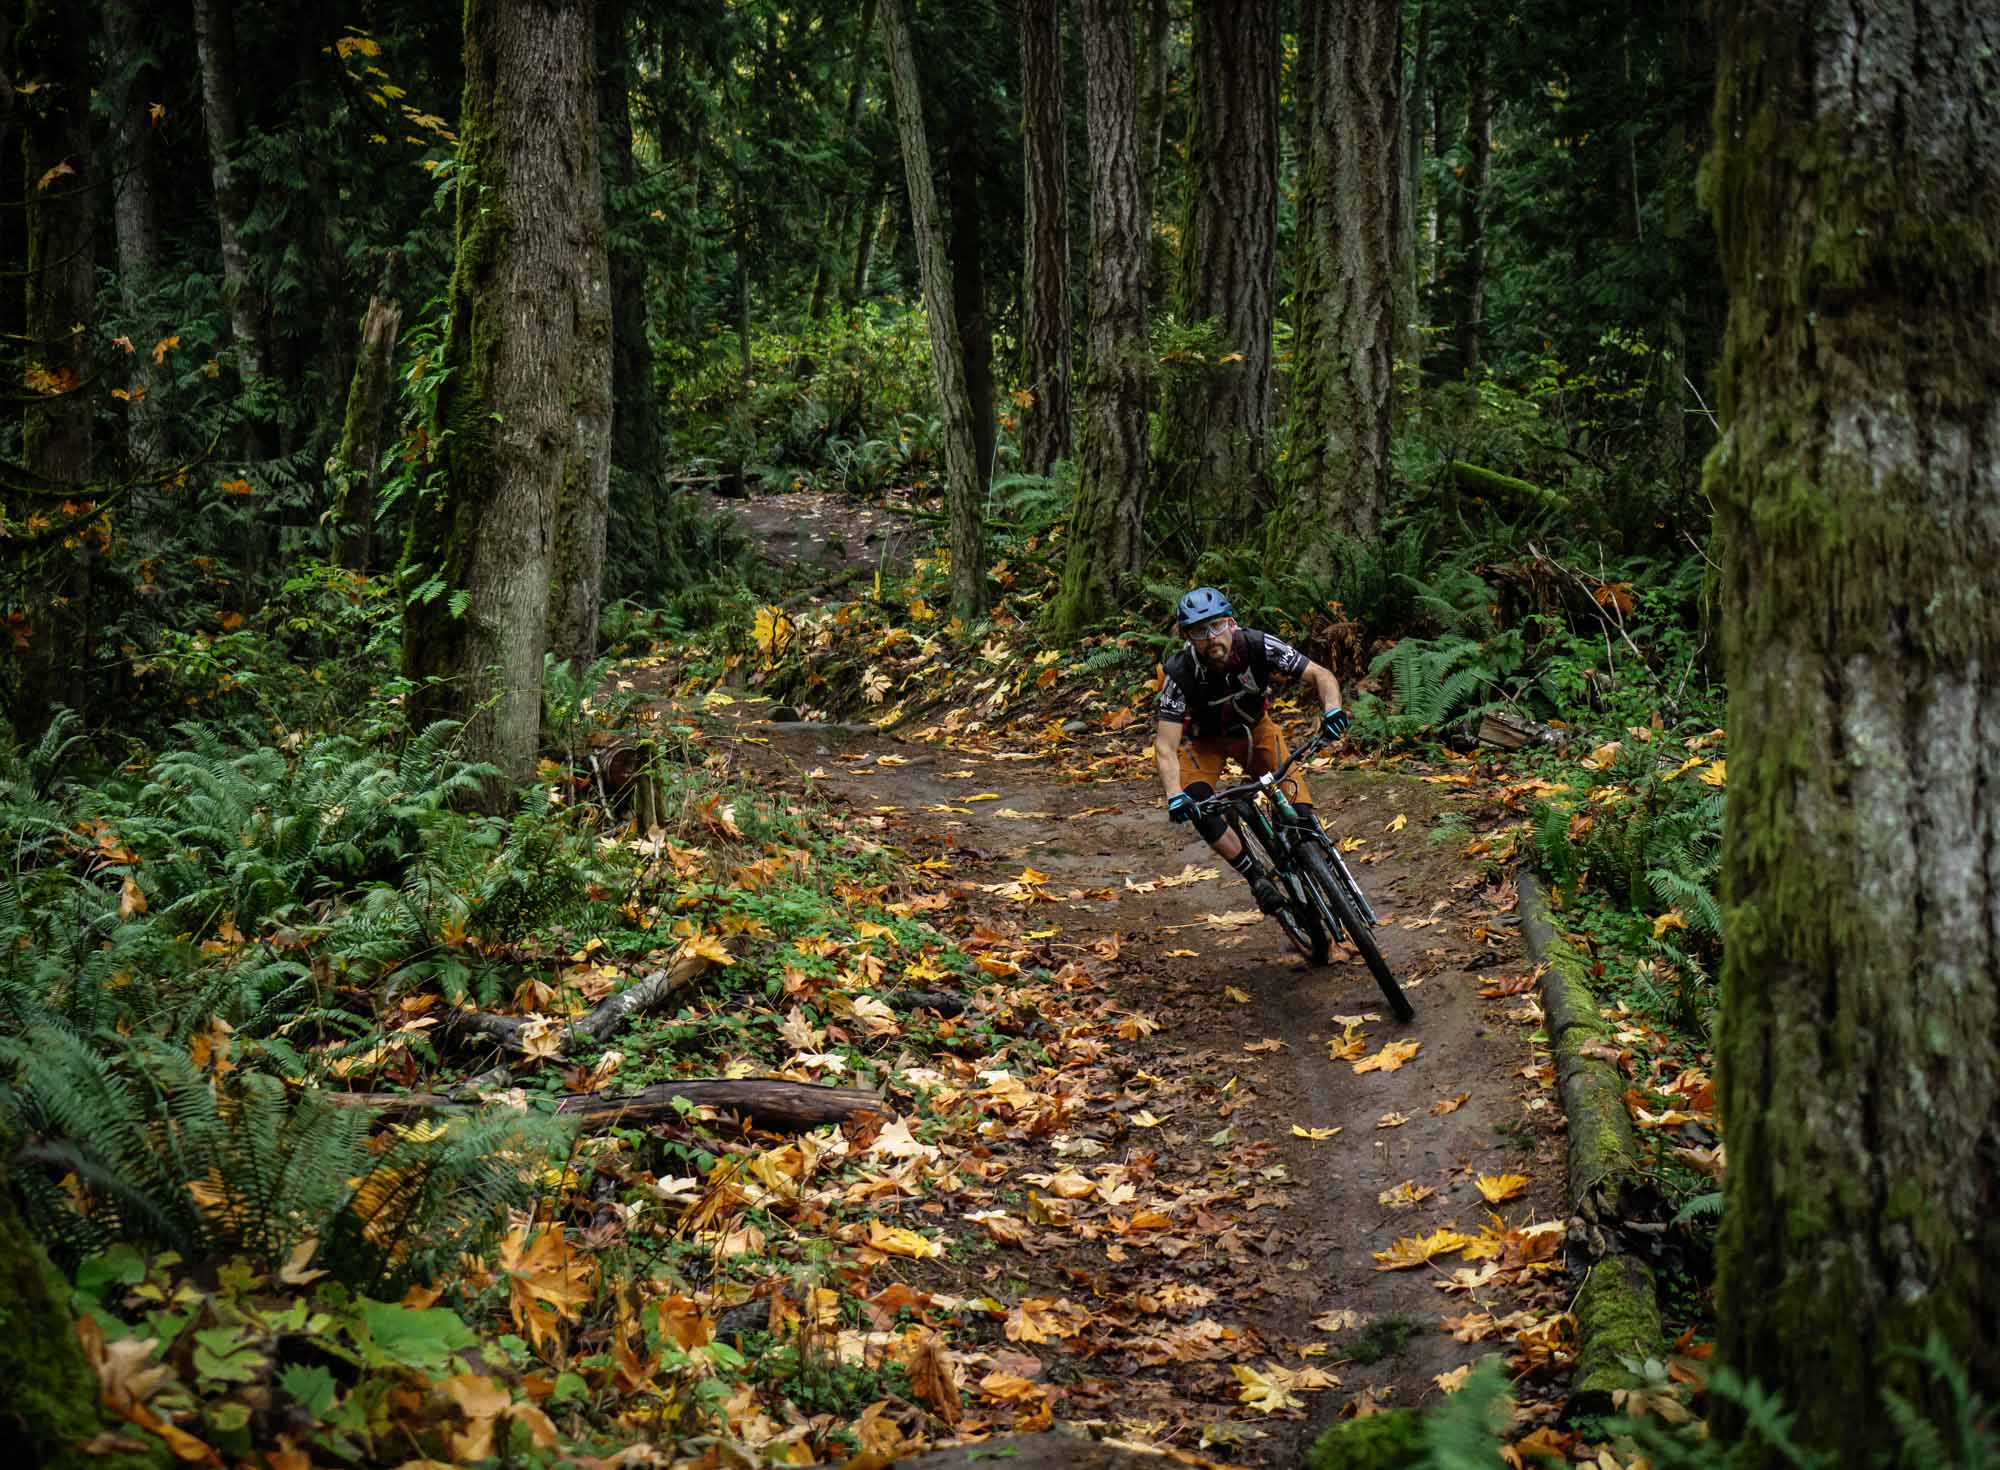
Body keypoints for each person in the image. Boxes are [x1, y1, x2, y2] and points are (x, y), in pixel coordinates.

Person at [1155, 586, 1352, 915]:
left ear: (1231, 623)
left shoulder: (1258, 645)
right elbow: (1165, 745)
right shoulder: (1178, 674)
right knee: (1200, 804)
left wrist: (1332, 709)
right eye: (1200, 631)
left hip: (1256, 729)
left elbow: (1320, 674)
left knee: (1299, 812)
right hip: (1206, 743)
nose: (1211, 637)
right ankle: (1256, 877)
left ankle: (1316, 862)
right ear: (1188, 636)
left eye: (1217, 625)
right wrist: (1175, 795)